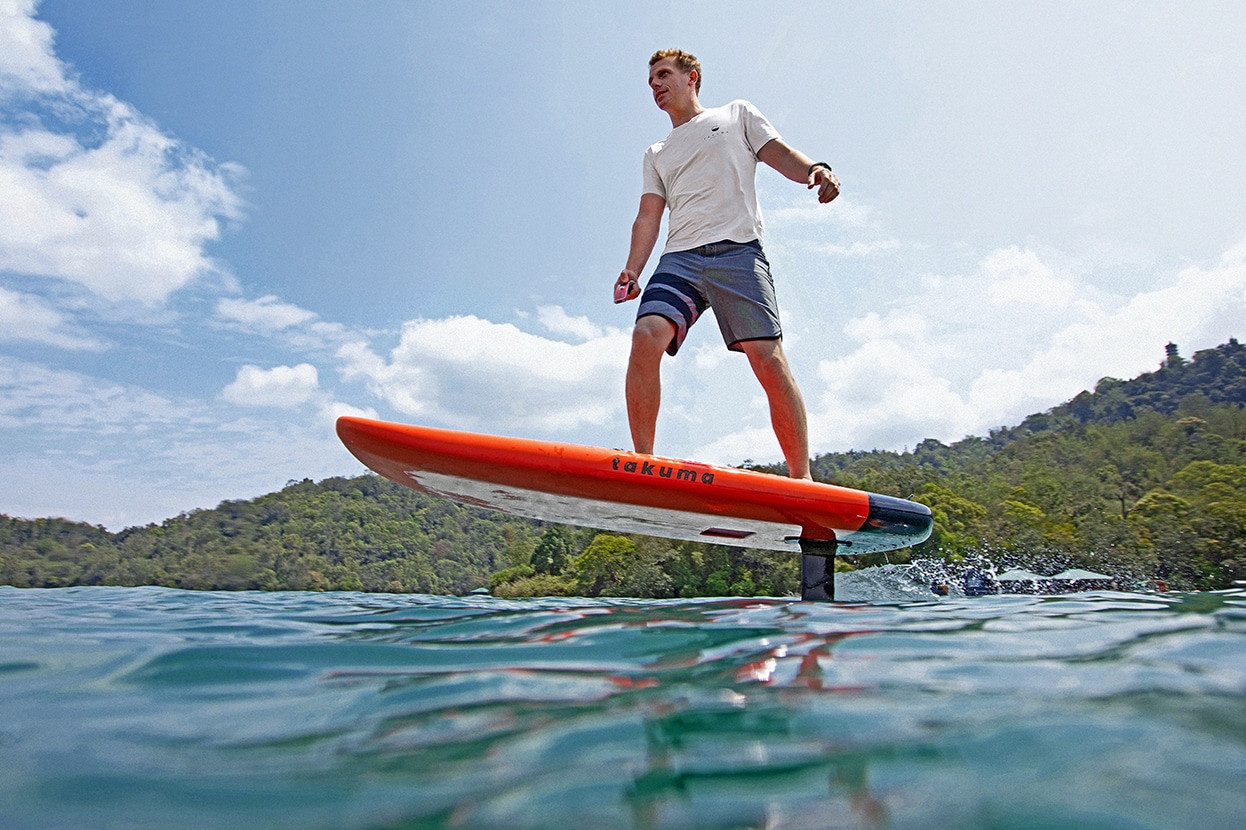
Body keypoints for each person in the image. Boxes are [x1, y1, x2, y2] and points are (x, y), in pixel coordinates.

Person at [614, 48, 840, 479]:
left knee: (767, 357)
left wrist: (816, 169)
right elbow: (649, 214)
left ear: (691, 77)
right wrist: (632, 269)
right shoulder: (657, 152)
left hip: (738, 252)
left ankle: (801, 478)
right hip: (680, 258)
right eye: (650, 82)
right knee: (646, 335)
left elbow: (781, 154)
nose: (655, 86)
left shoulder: (737, 114)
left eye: (663, 75)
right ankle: (643, 464)